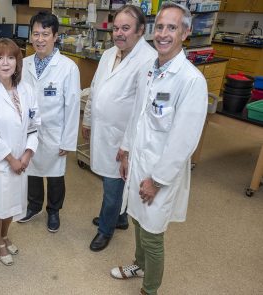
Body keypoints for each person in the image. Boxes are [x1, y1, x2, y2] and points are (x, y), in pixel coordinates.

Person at [109, 3, 208, 295]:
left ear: (186, 33)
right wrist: (125, 150)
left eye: (172, 28)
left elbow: (183, 142)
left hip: (161, 172)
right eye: (160, 27)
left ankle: (149, 290)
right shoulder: (150, 70)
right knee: (138, 219)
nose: (163, 34)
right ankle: (138, 265)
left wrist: (157, 180)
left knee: (152, 235)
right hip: (139, 161)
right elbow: (137, 115)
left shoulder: (191, 81)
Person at [82, 5, 157, 252]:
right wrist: (88, 120)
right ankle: (120, 218)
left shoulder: (147, 60)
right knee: (111, 180)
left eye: (125, 28)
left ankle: (106, 229)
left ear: (141, 31)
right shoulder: (109, 54)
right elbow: (95, 90)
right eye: (115, 28)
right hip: (104, 131)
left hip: (123, 138)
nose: (119, 33)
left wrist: (126, 146)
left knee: (114, 185)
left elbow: (141, 111)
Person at [0, 38, 40, 266]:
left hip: (20, 160)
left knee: (12, 202)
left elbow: (34, 124)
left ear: (17, 62)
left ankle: (5, 234)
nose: (5, 63)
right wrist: (11, 158)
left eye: (10, 57)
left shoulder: (27, 90)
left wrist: (27, 155)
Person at [18, 11, 80, 232]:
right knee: (31, 170)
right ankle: (33, 206)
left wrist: (67, 141)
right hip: (29, 130)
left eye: (45, 33)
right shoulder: (23, 64)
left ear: (55, 36)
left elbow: (72, 106)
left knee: (55, 175)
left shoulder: (68, 67)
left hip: (55, 131)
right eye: (36, 33)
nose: (40, 39)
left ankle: (53, 211)